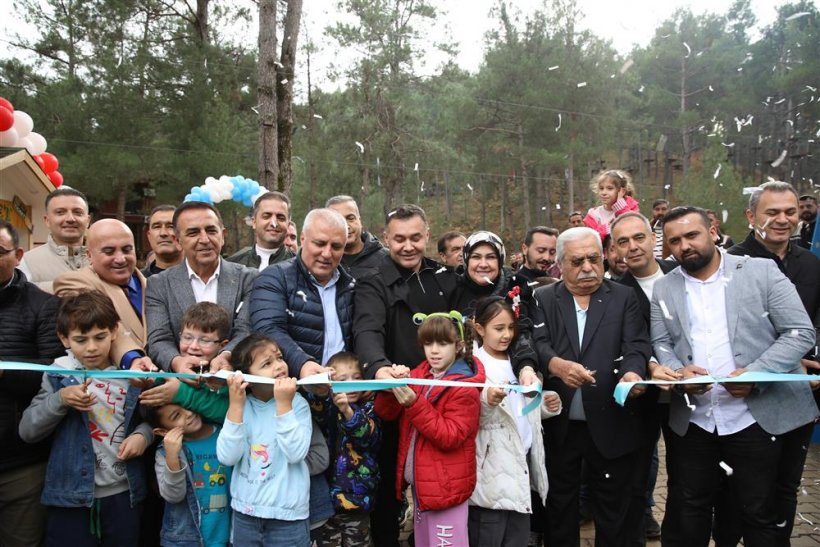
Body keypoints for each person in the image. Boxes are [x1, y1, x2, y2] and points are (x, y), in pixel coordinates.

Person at [650, 206, 817, 547]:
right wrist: (680, 373)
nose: (684, 245)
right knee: (691, 509)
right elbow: (661, 343)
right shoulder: (664, 287)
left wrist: (757, 373)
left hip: (755, 418)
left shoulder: (761, 271)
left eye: (692, 235)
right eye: (675, 241)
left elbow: (800, 332)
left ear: (712, 231)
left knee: (757, 512)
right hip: (695, 421)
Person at [529, 226, 651, 546]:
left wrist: (632, 374)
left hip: (611, 418)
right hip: (561, 424)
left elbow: (636, 345)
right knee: (561, 506)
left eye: (594, 259)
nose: (587, 268)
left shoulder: (623, 297)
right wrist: (557, 365)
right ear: (559, 265)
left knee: (612, 508)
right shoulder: (544, 298)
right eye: (577, 261)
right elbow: (536, 344)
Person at [720, 182, 820, 545]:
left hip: (795, 394)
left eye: (790, 212)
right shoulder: (730, 263)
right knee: (737, 492)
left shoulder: (810, 264)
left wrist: (814, 364)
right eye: (772, 212)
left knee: (785, 489)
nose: (782, 220)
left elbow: (812, 326)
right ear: (751, 216)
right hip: (743, 394)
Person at [353, 204, 457, 546]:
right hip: (394, 402)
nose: (408, 246)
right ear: (386, 238)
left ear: (427, 235)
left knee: (439, 484)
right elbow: (367, 330)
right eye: (399, 239)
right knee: (390, 492)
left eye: (415, 237)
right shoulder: (372, 280)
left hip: (441, 403)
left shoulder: (444, 276)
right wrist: (378, 366)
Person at [19, 291, 152, 546]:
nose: (91, 347)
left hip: (125, 493)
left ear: (114, 332)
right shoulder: (58, 375)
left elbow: (152, 420)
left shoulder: (132, 376)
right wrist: (60, 400)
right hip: (70, 497)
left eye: (99, 337)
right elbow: (28, 430)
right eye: (81, 340)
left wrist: (142, 436)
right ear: (64, 339)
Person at [374, 312, 485, 547]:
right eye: (428, 343)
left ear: (458, 346)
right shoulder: (420, 373)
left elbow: (449, 436)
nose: (434, 350)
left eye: (442, 343)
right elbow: (386, 413)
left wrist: (413, 404)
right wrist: (391, 388)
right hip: (423, 488)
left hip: (446, 489)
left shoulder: (465, 388)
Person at [468, 297, 561, 547]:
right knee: (489, 530)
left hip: (522, 460)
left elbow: (521, 409)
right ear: (479, 328)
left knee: (517, 534)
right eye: (499, 328)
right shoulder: (473, 365)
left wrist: (544, 405)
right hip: (491, 465)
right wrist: (486, 399)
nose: (507, 335)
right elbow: (469, 413)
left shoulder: (518, 362)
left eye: (511, 327)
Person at [610, 212, 679, 542]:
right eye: (623, 241)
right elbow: (628, 340)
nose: (633, 247)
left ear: (653, 239)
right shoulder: (616, 292)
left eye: (639, 238)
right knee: (638, 473)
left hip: (691, 392)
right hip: (644, 396)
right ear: (615, 248)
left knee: (686, 478)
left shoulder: (683, 275)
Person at [0, 220, 65, 546]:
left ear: (18, 254)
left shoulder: (42, 305)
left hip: (19, 464)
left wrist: (5, 372)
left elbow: (55, 372)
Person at [217, 333, 312, 546]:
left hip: (288, 518)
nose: (279, 366)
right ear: (248, 379)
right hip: (245, 514)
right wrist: (235, 407)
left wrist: (284, 406)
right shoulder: (241, 406)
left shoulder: (297, 404)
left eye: (279, 358)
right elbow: (227, 457)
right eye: (267, 363)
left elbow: (296, 453)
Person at [146, 201, 257, 374]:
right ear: (177, 240)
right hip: (179, 386)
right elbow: (159, 339)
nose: (204, 239)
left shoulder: (248, 278)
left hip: (234, 385)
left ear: (223, 235)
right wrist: (178, 363)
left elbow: (245, 329)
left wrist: (226, 356)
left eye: (211, 230)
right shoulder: (159, 284)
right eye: (193, 232)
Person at [250, 208, 354, 379]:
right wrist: (302, 363)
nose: (327, 254)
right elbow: (268, 328)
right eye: (320, 244)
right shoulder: (275, 278)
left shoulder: (351, 285)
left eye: (336, 246)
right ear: (303, 239)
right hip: (293, 391)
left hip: (344, 394)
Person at [53, 219, 154, 371]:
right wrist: (131, 359)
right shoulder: (74, 282)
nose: (120, 259)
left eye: (127, 250)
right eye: (109, 251)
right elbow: (105, 326)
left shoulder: (154, 285)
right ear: (89, 255)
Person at [307, 351, 381, 547]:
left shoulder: (369, 408)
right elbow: (316, 410)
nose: (351, 383)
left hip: (357, 499)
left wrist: (348, 411)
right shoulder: (327, 406)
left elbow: (368, 437)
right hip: (326, 501)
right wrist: (323, 390)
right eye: (343, 379)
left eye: (357, 378)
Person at [148, 401, 232, 547]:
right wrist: (172, 457)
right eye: (176, 416)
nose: (188, 414)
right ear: (163, 432)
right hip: (185, 539)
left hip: (229, 534)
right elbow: (174, 496)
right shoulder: (163, 453)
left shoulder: (227, 435)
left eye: (186, 405)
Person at [20, 187, 90, 292]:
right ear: (47, 220)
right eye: (60, 212)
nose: (70, 219)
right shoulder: (26, 263)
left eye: (77, 212)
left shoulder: (106, 259)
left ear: (88, 220)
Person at [451, 231, 515, 316]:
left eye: (491, 257)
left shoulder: (517, 289)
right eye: (476, 257)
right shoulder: (451, 292)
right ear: (467, 261)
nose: (483, 264)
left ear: (500, 261)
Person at [227, 191, 294, 270]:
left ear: (288, 224)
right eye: (266, 216)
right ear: (254, 222)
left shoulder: (301, 268)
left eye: (280, 218)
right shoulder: (232, 265)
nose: (274, 223)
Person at [326, 195, 389, 279]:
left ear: (360, 221)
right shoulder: (324, 260)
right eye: (338, 220)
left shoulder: (386, 258)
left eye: (350, 218)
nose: (346, 226)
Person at [583, 169, 640, 239]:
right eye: (601, 188)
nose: (604, 193)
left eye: (609, 188)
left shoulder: (631, 208)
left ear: (622, 191)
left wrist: (620, 207)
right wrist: (607, 228)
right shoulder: (593, 215)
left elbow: (631, 227)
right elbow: (592, 239)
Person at [142, 205, 182, 277]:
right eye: (157, 227)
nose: (163, 233)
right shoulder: (137, 282)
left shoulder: (202, 278)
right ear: (149, 236)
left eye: (170, 226)